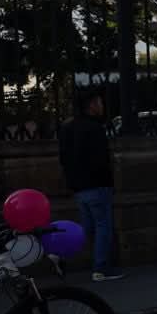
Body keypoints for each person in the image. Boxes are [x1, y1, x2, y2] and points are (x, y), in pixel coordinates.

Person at [57, 89, 122, 281]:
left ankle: (60, 253)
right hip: (97, 184)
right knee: (103, 227)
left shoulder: (67, 127)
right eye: (99, 102)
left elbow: (63, 158)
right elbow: (101, 159)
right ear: (91, 105)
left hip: (79, 187)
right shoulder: (94, 128)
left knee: (87, 229)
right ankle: (101, 268)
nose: (102, 106)